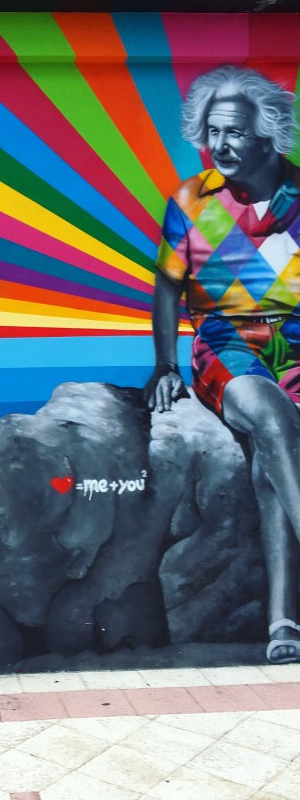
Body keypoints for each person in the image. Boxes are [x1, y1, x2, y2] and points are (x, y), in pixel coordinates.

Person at [143, 65, 300, 664]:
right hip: (227, 341)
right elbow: (167, 286)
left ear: (268, 134)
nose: (220, 145)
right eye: (212, 132)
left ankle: (284, 623)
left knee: (270, 458)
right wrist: (165, 366)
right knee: (272, 418)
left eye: (234, 132)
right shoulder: (191, 200)